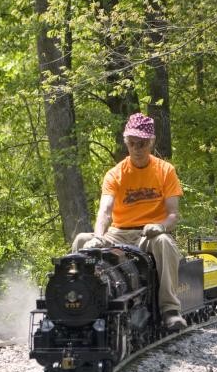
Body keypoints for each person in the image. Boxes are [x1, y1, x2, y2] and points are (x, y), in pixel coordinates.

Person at [71, 113, 187, 331]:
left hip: (148, 235)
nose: (137, 148)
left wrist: (161, 226)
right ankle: (79, 301)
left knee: (164, 242)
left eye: (142, 143)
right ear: (127, 143)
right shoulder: (115, 174)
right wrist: (98, 237)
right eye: (132, 143)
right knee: (81, 240)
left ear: (151, 142)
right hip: (118, 232)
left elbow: (173, 214)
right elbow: (105, 211)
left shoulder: (165, 171)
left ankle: (170, 310)